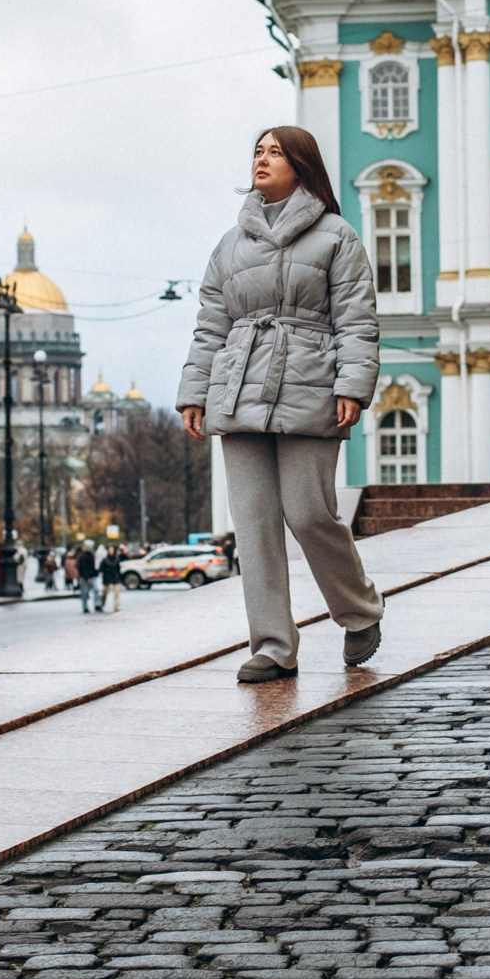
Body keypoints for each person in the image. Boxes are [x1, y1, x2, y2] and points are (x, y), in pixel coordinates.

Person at [179, 125, 386, 684]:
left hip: (309, 382)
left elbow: (357, 320)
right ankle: (273, 645)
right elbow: (211, 326)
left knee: (309, 512)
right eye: (257, 151)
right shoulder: (230, 244)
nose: (262, 160)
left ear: (302, 164)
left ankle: (360, 610)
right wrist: (194, 392)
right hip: (239, 386)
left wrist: (352, 385)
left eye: (275, 152)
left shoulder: (337, 236)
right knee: (252, 523)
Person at [100, 545, 125, 613]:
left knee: (117, 592)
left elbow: (119, 569)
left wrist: (120, 578)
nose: (111, 551)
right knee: (105, 593)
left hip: (115, 577)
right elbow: (101, 569)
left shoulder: (117, 559)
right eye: (110, 550)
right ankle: (102, 604)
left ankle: (116, 606)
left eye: (112, 550)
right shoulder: (105, 560)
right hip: (107, 578)